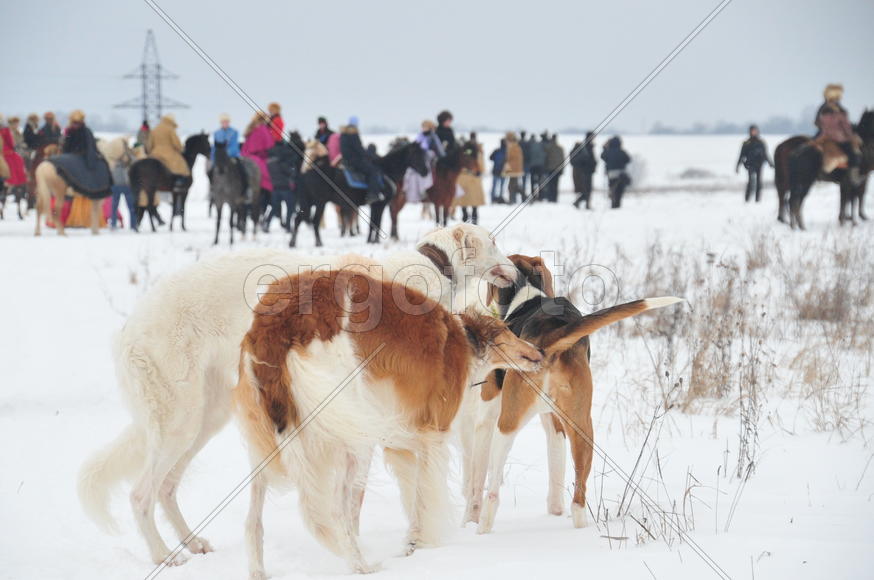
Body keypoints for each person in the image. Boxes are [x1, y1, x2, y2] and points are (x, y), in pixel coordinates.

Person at [814, 83, 862, 185]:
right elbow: (846, 126)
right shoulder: (840, 109)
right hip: (838, 137)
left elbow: (816, 122)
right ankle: (853, 177)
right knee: (854, 154)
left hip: (822, 135)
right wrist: (851, 136)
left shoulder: (823, 107)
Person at [340, 116, 382, 204]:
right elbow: (359, 150)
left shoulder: (343, 134)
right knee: (373, 171)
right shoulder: (353, 134)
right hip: (355, 161)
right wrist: (371, 155)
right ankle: (372, 194)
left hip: (347, 161)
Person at [242, 113, 275, 211]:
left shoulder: (251, 128)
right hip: (258, 157)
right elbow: (269, 145)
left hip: (246, 156)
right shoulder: (263, 129)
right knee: (269, 175)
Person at [148, 114, 190, 189]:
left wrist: (150, 152)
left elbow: (149, 145)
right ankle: (179, 183)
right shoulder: (170, 129)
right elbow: (176, 144)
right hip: (169, 153)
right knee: (182, 167)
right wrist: (181, 149)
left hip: (155, 153)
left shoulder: (154, 129)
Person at [736, 125, 773, 203]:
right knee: (751, 181)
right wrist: (738, 166)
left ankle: (757, 199)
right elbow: (741, 155)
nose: (753, 132)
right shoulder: (747, 143)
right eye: (752, 131)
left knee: (759, 182)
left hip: (759, 164)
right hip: (750, 164)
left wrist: (770, 163)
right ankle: (747, 198)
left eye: (754, 131)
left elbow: (765, 154)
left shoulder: (761, 142)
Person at [455, 134, 485, 224]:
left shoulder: (463, 152)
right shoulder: (476, 152)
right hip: (471, 177)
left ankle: (467, 215)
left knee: (466, 198)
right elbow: (481, 163)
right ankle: (472, 215)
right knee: (472, 198)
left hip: (466, 177)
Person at [601, 136, 631, 209]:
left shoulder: (608, 152)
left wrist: (604, 148)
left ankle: (613, 204)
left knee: (612, 189)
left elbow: (602, 156)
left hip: (611, 174)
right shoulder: (621, 152)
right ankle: (617, 204)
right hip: (621, 174)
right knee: (619, 191)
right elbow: (628, 159)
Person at [0, 115, 27, 193]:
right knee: (17, 160)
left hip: (7, 151)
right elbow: (11, 142)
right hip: (6, 152)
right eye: (15, 123)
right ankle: (12, 181)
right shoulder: (6, 130)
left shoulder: (15, 131)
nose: (16, 125)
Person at [571, 132, 597, 209]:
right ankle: (580, 202)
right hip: (585, 171)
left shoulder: (588, 146)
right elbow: (586, 158)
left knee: (587, 189)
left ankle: (585, 204)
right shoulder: (586, 146)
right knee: (586, 189)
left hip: (587, 171)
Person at [503, 131, 525, 203]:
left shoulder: (512, 147)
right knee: (513, 186)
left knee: (512, 186)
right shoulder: (516, 146)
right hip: (515, 169)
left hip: (513, 169)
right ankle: (514, 199)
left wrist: (507, 166)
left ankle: (514, 199)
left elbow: (510, 158)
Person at [543, 134, 565, 202]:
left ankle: (550, 198)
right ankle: (555, 198)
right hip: (558, 169)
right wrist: (562, 169)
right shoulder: (560, 148)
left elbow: (545, 158)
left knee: (550, 184)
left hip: (550, 169)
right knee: (556, 184)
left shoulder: (548, 148)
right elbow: (562, 159)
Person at [526, 133, 546, 197]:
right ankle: (541, 195)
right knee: (540, 180)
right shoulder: (540, 145)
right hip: (540, 165)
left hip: (532, 165)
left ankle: (533, 194)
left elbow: (528, 156)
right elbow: (543, 154)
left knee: (532, 181)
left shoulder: (529, 145)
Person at [489, 139, 507, 203]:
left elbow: (490, 158)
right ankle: (500, 198)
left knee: (494, 186)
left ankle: (492, 199)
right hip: (503, 171)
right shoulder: (507, 151)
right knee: (502, 186)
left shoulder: (497, 150)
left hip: (495, 170)